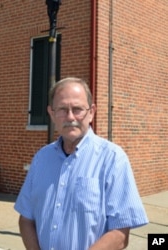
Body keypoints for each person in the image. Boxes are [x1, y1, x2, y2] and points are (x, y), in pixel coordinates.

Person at [14, 77, 148, 250]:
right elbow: (26, 219)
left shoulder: (113, 159)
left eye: (77, 109)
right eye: (62, 109)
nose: (70, 117)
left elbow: (120, 233)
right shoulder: (41, 159)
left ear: (91, 112)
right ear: (52, 113)